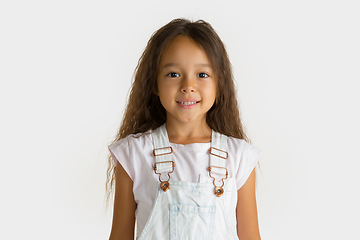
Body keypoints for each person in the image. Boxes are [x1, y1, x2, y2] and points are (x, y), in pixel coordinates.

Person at [106, 18, 261, 240]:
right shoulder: (133, 154)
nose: (188, 85)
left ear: (220, 84)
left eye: (202, 75)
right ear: (154, 84)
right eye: (173, 74)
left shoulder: (239, 157)